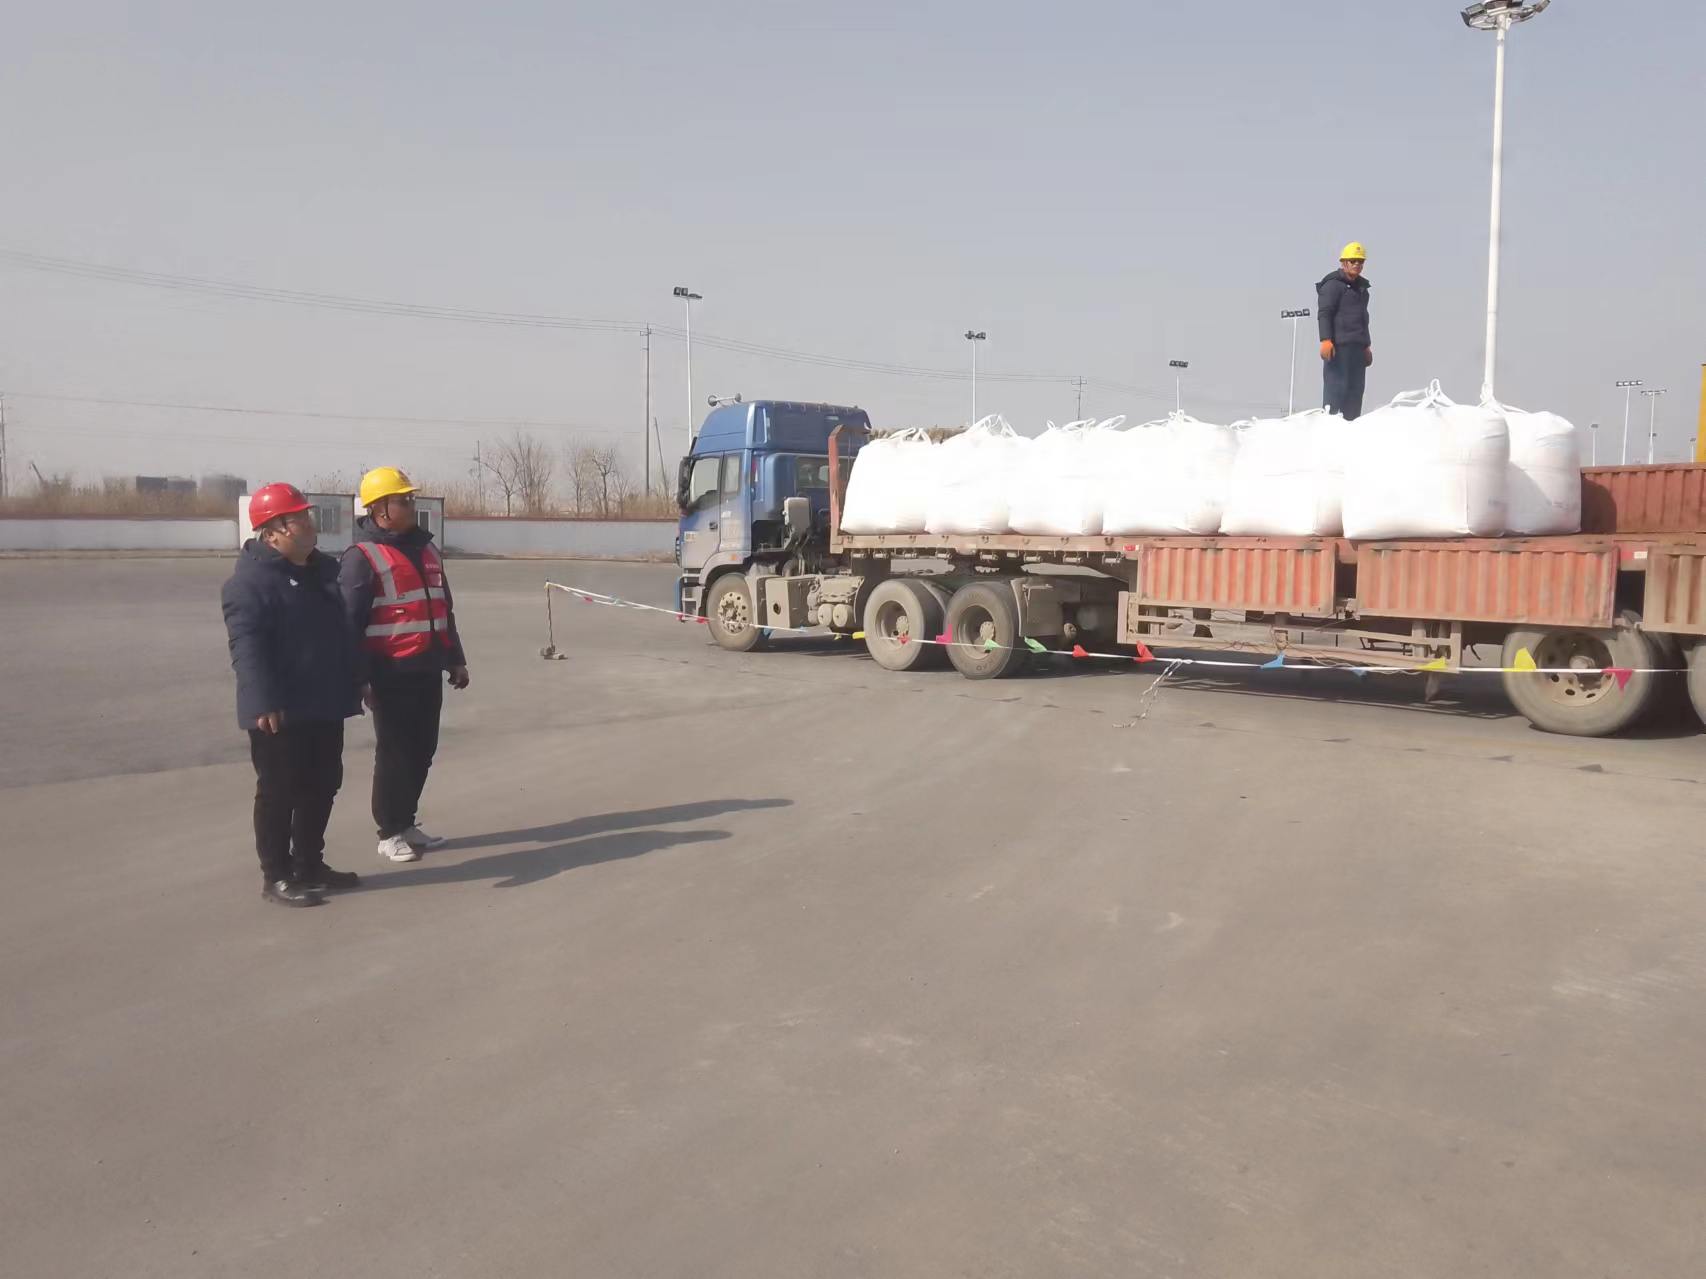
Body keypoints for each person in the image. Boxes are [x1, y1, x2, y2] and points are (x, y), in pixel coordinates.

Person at [222, 483, 362, 906]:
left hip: (324, 701)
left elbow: (341, 635)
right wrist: (261, 700)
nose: (309, 524)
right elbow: (246, 648)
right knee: (279, 791)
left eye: (306, 515)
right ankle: (277, 875)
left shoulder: (322, 572)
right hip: (279, 711)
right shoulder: (249, 584)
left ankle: (309, 864)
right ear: (272, 532)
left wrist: (357, 678)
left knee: (323, 785)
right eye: (299, 518)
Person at [340, 467, 470, 864]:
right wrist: (359, 678)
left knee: (422, 749)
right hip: (389, 673)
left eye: (412, 498)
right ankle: (389, 832)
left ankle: (406, 821)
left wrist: (456, 658)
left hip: (427, 668)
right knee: (395, 753)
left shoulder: (427, 550)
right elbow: (348, 623)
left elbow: (443, 609)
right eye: (404, 500)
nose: (412, 505)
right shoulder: (362, 558)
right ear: (380, 509)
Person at [1317, 241, 1373, 420]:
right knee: (1335, 394)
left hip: (1357, 350)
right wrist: (1325, 339)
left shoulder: (1362, 289)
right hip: (1338, 349)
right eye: (1353, 261)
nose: (1357, 264)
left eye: (1360, 261)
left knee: (1355, 395)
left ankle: (1351, 428)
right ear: (1343, 262)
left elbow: (1363, 319)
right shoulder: (1332, 285)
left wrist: (1366, 346)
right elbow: (1325, 313)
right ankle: (1330, 429)